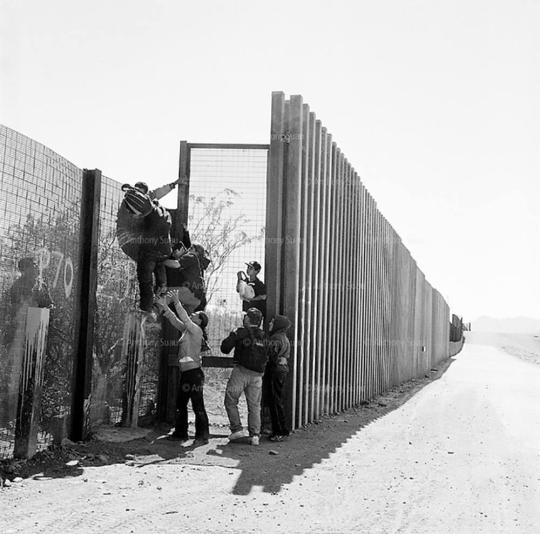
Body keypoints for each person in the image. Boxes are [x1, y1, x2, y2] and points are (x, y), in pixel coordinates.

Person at [116, 180, 179, 314]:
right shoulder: (131, 203)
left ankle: (157, 295)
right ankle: (151, 300)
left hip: (150, 246)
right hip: (133, 242)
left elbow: (157, 192)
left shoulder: (147, 201)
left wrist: (173, 185)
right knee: (151, 262)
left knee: (155, 261)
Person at [155, 290, 210, 445]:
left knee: (197, 404)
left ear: (199, 321)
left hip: (194, 374)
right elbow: (174, 319)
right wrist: (165, 306)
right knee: (181, 404)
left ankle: (202, 434)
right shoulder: (187, 331)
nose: (192, 315)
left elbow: (184, 318)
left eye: (196, 315)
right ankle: (181, 433)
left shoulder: (196, 330)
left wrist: (177, 301)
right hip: (187, 374)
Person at [221, 307, 268, 446]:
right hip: (258, 376)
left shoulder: (240, 332)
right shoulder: (264, 335)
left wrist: (233, 335)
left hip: (240, 372)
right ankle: (255, 435)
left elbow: (225, 348)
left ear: (247, 319)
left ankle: (237, 430)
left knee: (230, 400)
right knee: (254, 406)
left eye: (245, 316)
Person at [263, 314, 291, 441]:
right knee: (278, 400)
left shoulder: (275, 338)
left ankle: (278, 432)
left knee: (274, 401)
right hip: (282, 369)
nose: (269, 324)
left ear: (277, 325)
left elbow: (272, 355)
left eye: (272, 322)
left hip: (275, 370)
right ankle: (282, 430)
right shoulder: (284, 337)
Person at [165, 242, 210, 314]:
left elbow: (176, 264)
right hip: (197, 299)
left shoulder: (191, 256)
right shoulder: (198, 264)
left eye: (191, 248)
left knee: (168, 294)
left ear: (196, 252)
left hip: (190, 292)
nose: (188, 249)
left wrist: (161, 261)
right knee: (183, 318)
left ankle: (154, 312)